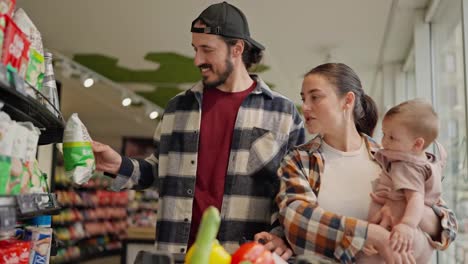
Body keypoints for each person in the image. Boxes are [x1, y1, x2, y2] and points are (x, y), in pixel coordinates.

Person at [91, 1, 305, 258]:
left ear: (237, 49)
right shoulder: (178, 108)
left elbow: (293, 192)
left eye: (207, 49)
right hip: (177, 254)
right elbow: (160, 172)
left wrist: (282, 236)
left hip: (243, 256)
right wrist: (117, 165)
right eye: (195, 49)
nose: (197, 60)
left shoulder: (283, 113)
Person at [275, 63, 457, 263]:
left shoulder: (390, 157)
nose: (305, 107)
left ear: (348, 100)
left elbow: (447, 228)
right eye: (304, 99)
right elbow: (297, 221)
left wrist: (407, 204)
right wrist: (374, 235)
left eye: (315, 97)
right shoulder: (298, 161)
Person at [365, 99, 447, 263]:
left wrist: (407, 225)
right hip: (420, 239)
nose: (384, 142)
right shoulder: (428, 160)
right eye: (384, 134)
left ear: (417, 144)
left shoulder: (407, 166)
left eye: (392, 138)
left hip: (406, 235)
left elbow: (415, 198)